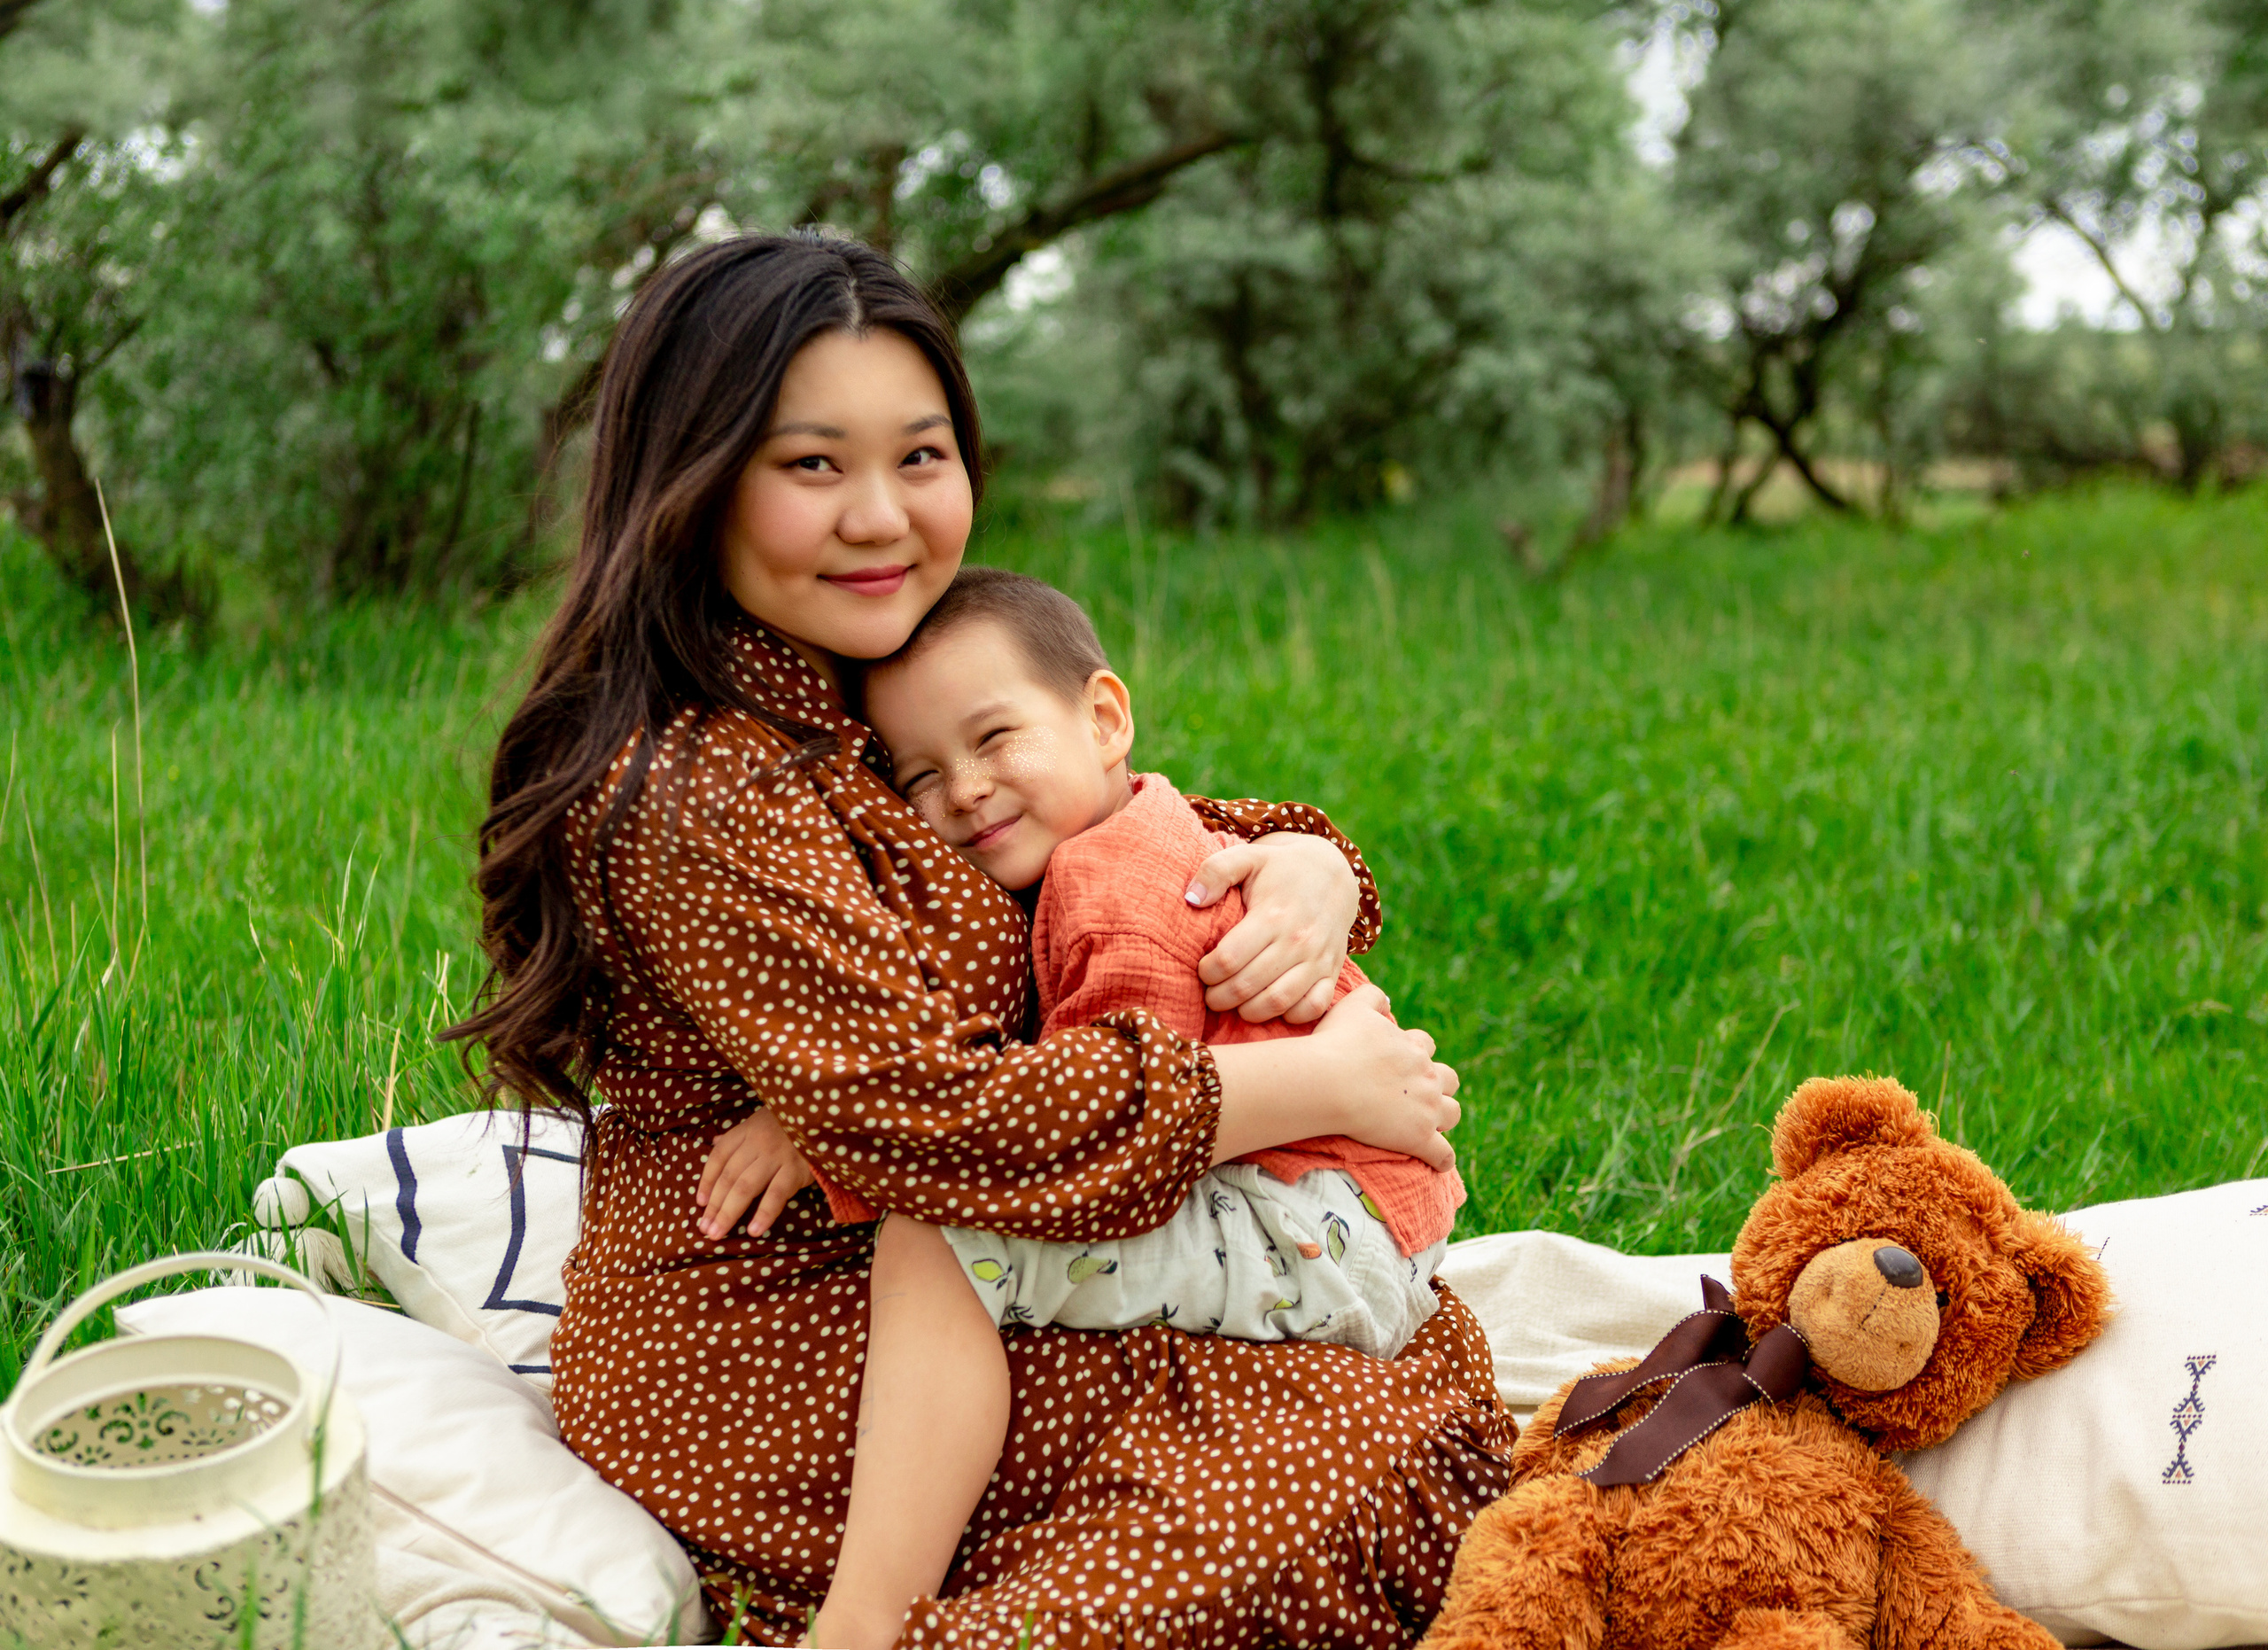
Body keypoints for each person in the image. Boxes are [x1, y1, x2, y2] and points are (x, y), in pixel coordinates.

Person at [450, 231, 1511, 1649]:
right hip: (775, 1338)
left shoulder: (864, 677)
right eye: (812, 464)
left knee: (1398, 1386)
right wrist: (1299, 1093)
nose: (881, 517)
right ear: (692, 479)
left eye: (923, 456)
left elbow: (1104, 828)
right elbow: (931, 1120)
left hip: (958, 1255)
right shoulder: (698, 785)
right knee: (1333, 1464)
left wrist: (1310, 862)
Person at [696, 563, 1472, 1649]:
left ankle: (861, 1619)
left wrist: (848, 1147)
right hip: (1352, 1208)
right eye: (919, 775)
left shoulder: (1106, 889)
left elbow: (1079, 1139)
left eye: (993, 738)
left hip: (1317, 1227)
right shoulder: (1150, 823)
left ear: (1104, 716)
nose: (962, 790)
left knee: (939, 1239)